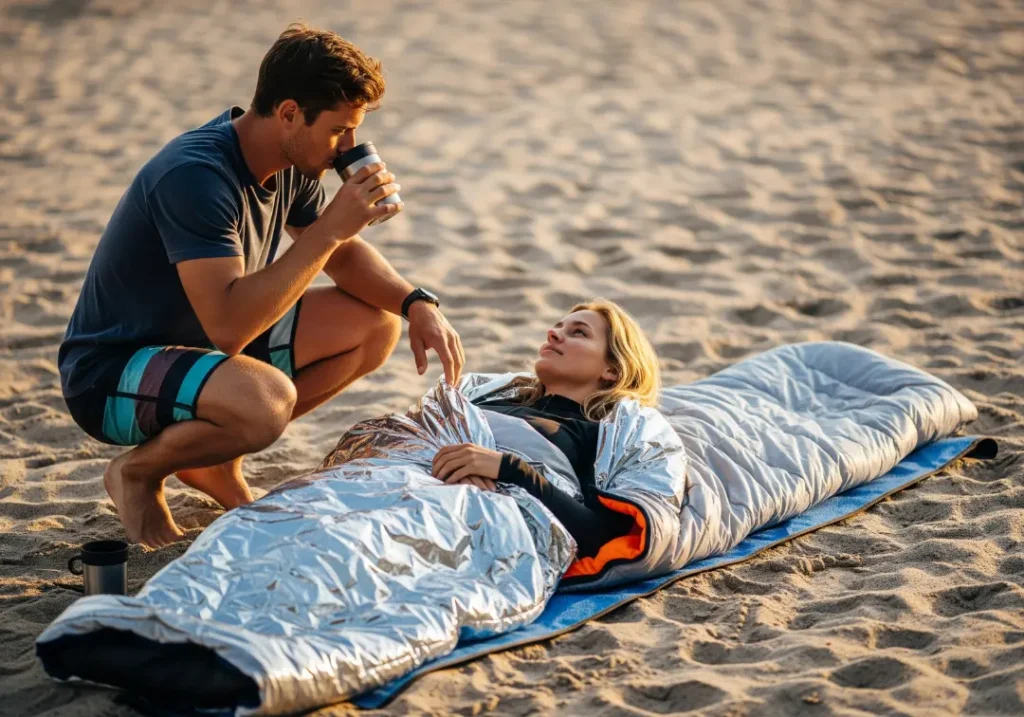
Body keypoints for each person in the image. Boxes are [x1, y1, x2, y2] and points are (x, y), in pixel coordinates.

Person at [57, 23, 465, 549]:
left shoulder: (292, 161)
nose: (348, 148)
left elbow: (342, 259)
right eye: (340, 130)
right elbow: (227, 328)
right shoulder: (196, 176)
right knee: (266, 401)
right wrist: (332, 227)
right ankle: (138, 473)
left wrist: (416, 303)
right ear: (290, 113)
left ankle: (214, 459)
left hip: (195, 354)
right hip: (112, 374)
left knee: (374, 325)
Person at [430, 298, 662, 558]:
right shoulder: (487, 399)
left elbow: (601, 537)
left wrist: (511, 469)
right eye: (557, 328)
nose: (553, 334)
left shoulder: (597, 436)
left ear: (613, 370)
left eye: (579, 332)